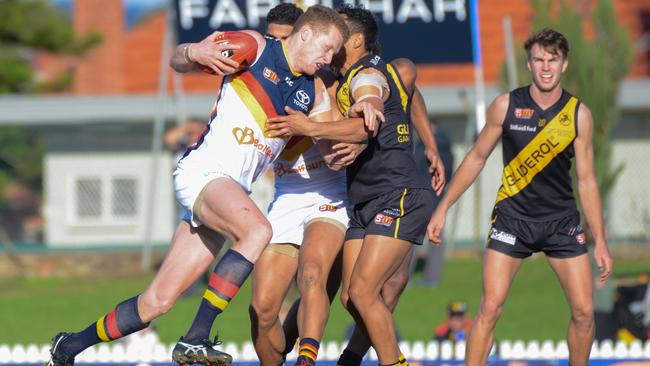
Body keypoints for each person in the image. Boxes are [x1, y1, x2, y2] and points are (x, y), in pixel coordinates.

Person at [44, 6, 349, 366]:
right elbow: (178, 59)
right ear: (306, 34)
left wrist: (348, 120)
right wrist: (193, 52)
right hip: (205, 172)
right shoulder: (255, 47)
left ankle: (69, 346)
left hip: (229, 190)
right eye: (327, 48)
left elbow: (333, 153)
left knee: (156, 302)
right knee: (256, 231)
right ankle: (195, 337)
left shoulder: (311, 90)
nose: (329, 58)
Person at [267, 5, 442, 364]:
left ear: (358, 40)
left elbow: (372, 91)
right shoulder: (339, 80)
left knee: (364, 291)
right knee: (351, 296)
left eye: (339, 31)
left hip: (399, 193)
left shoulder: (367, 72)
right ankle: (344, 356)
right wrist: (431, 145)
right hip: (362, 200)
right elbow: (412, 90)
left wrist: (327, 121)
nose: (329, 37)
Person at [427, 28, 613, 366]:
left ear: (564, 64)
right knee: (490, 307)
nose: (546, 67)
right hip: (512, 220)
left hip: (561, 224)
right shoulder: (506, 105)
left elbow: (586, 181)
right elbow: (475, 158)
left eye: (552, 60)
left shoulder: (578, 114)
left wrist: (599, 238)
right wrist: (442, 209)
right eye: (539, 59)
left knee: (585, 312)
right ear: (529, 63)